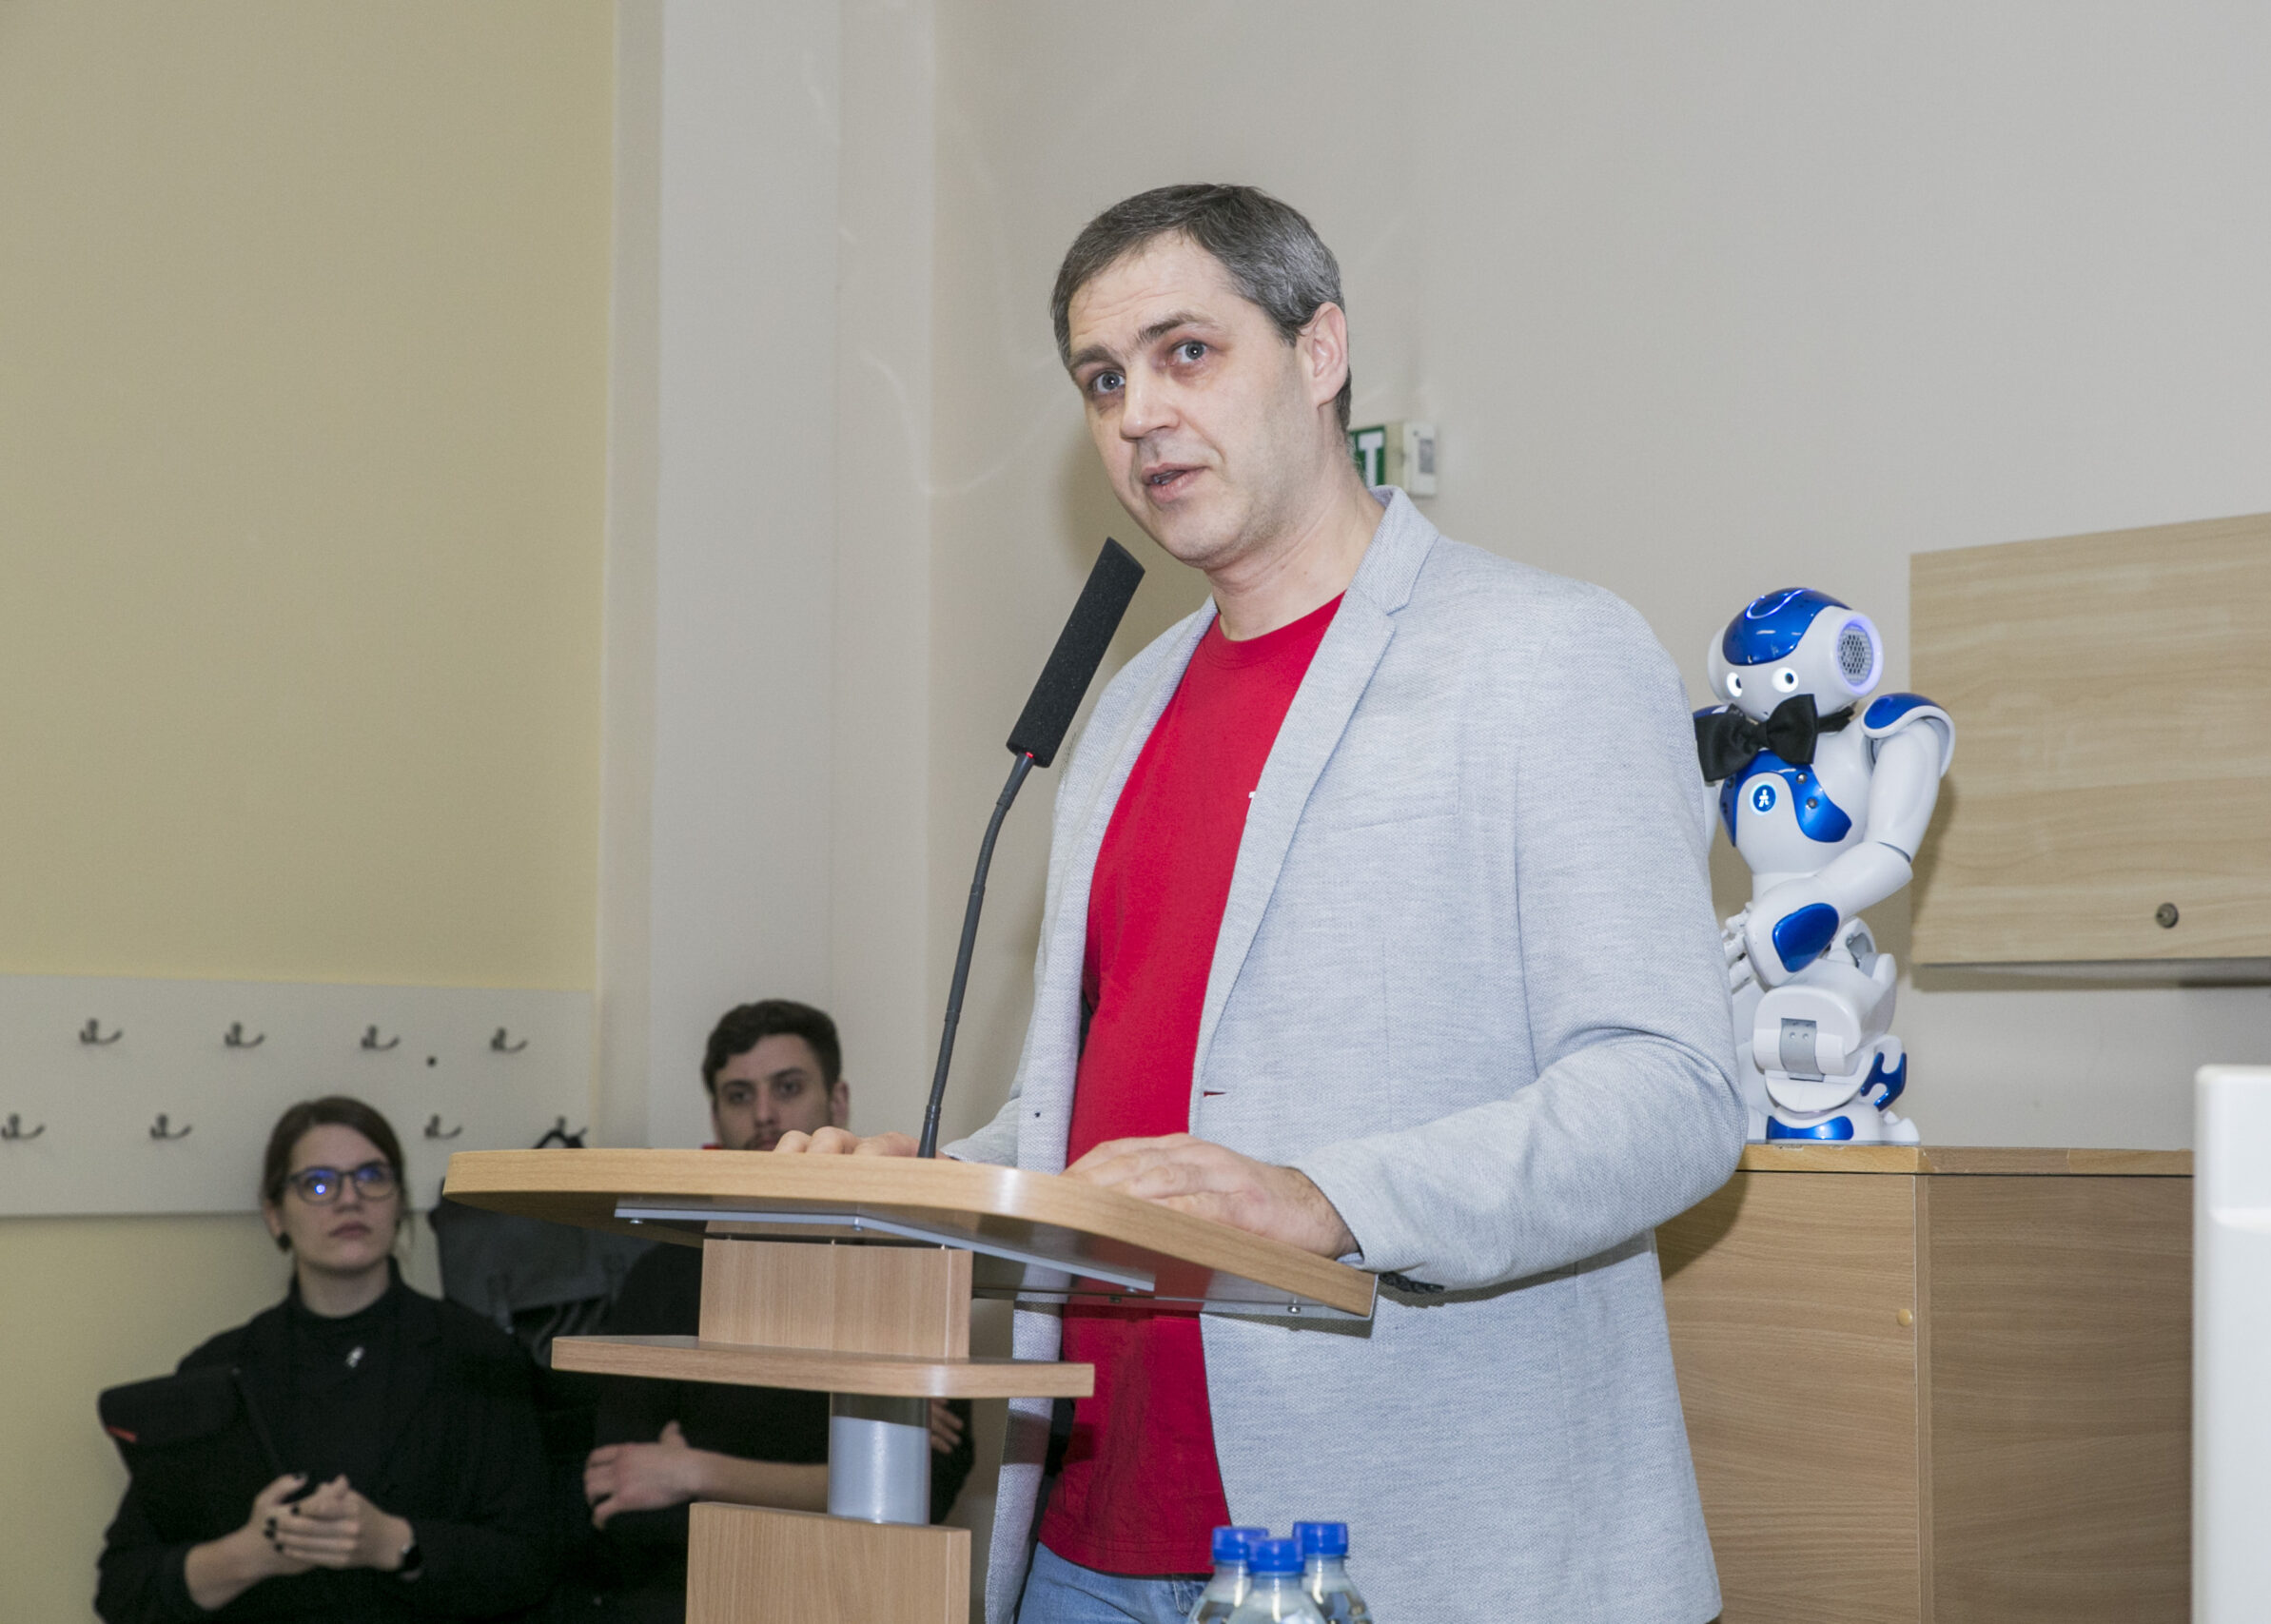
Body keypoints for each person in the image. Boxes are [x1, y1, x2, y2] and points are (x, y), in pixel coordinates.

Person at [776, 185, 1744, 1624]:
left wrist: (1327, 1199)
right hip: (1088, 1534)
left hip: (1398, 1539)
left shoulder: (1545, 653)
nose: (1139, 416)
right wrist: (927, 1186)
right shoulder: (1125, 710)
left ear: (1320, 349)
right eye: (1103, 380)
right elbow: (1110, 1127)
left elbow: (1673, 1092)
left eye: (1186, 352)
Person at [577, 1000, 973, 1624]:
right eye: (739, 1095)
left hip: (859, 1596)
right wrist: (857, 1458)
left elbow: (922, 1493)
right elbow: (621, 1499)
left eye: (787, 1087)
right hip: (689, 1599)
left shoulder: (907, 1265)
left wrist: (694, 1469)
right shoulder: (665, 1273)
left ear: (838, 1101)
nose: (764, 1114)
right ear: (716, 1116)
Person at [97, 1097, 553, 1622]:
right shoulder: (218, 1371)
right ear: (275, 1216)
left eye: (372, 1177)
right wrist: (250, 1555)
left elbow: (533, 1563)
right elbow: (124, 1590)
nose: (349, 1199)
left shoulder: (477, 1355)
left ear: (399, 1204)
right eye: (318, 1184)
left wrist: (393, 1543)